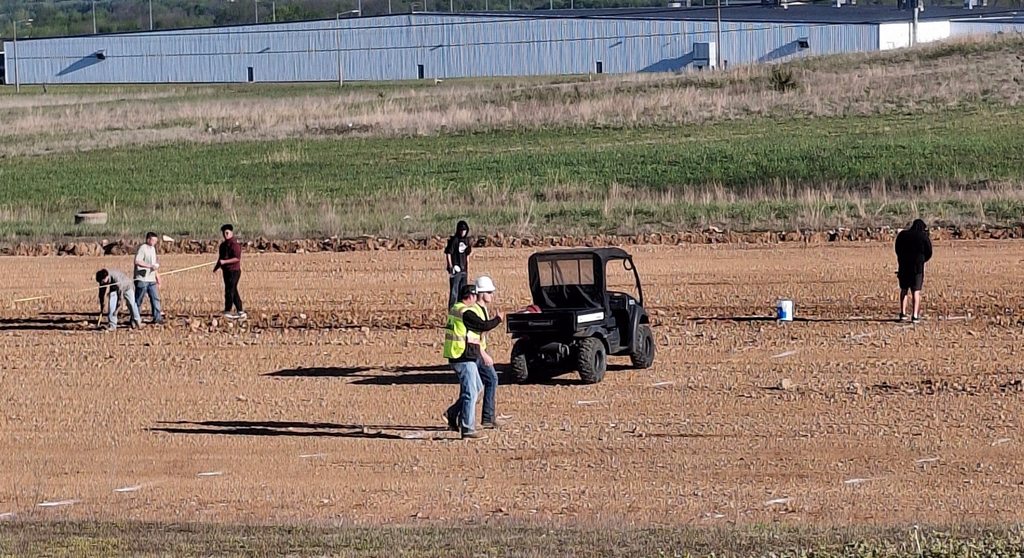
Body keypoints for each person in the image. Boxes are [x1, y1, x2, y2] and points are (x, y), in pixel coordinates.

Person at [443, 284, 502, 439]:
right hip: (462, 356)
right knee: (470, 392)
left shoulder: (456, 308)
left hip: (459, 355)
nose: (476, 299)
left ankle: (453, 413)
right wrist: (498, 319)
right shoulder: (466, 312)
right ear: (470, 296)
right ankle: (468, 428)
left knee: (476, 388)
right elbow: (483, 325)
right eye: (475, 296)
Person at [471, 275, 504, 430]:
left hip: (479, 352)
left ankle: (487, 417)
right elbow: (479, 331)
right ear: (481, 293)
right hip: (477, 353)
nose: (492, 295)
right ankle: (487, 418)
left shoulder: (482, 309)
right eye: (489, 292)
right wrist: (483, 354)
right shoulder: (476, 310)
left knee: (476, 386)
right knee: (489, 380)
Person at [895, 219, 933, 323]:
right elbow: (929, 252)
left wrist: (902, 259)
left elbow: (897, 249)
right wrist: (922, 260)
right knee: (916, 292)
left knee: (904, 290)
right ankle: (915, 316)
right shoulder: (923, 236)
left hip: (904, 266)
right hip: (917, 268)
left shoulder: (903, 235)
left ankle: (903, 314)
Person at [213, 224, 246, 319]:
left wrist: (225, 262)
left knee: (230, 290)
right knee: (232, 290)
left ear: (231, 233)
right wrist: (217, 267)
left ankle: (228, 310)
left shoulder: (235, 245)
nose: (225, 235)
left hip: (234, 271)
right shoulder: (223, 246)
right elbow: (220, 258)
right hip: (226, 271)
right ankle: (240, 310)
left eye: (227, 233)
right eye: (224, 233)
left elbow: (237, 258)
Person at [134, 232, 164, 324]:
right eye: (153, 240)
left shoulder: (153, 249)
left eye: (156, 240)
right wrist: (149, 266)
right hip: (142, 279)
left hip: (151, 279)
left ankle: (157, 318)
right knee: (138, 300)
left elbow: (154, 265)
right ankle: (135, 318)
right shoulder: (142, 248)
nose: (155, 242)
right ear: (148, 239)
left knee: (155, 298)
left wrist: (157, 276)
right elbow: (137, 261)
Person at [444, 220, 472, 310]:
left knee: (463, 292)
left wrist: (467, 266)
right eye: (461, 230)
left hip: (464, 270)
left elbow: (467, 254)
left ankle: (461, 311)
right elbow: (448, 253)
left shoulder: (467, 241)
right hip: (456, 270)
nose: (462, 232)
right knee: (454, 292)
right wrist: (450, 265)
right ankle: (452, 311)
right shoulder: (454, 240)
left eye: (464, 230)